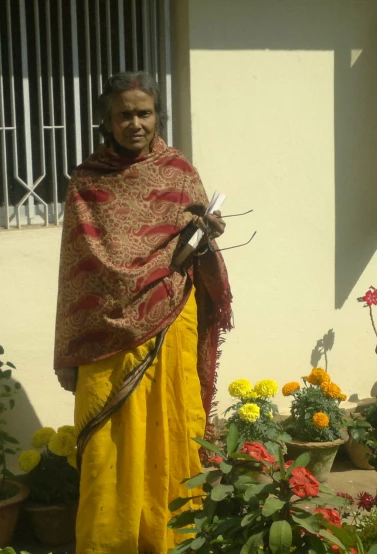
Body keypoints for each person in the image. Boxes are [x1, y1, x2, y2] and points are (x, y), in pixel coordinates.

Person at [53, 71, 233, 553]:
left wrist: (205, 231)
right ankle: (109, 542)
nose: (135, 122)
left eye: (144, 112)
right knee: (108, 445)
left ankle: (170, 539)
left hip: (169, 317)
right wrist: (69, 348)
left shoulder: (178, 172)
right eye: (124, 114)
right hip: (103, 331)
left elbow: (187, 244)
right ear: (106, 122)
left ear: (158, 116)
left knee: (172, 428)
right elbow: (76, 268)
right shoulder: (87, 181)